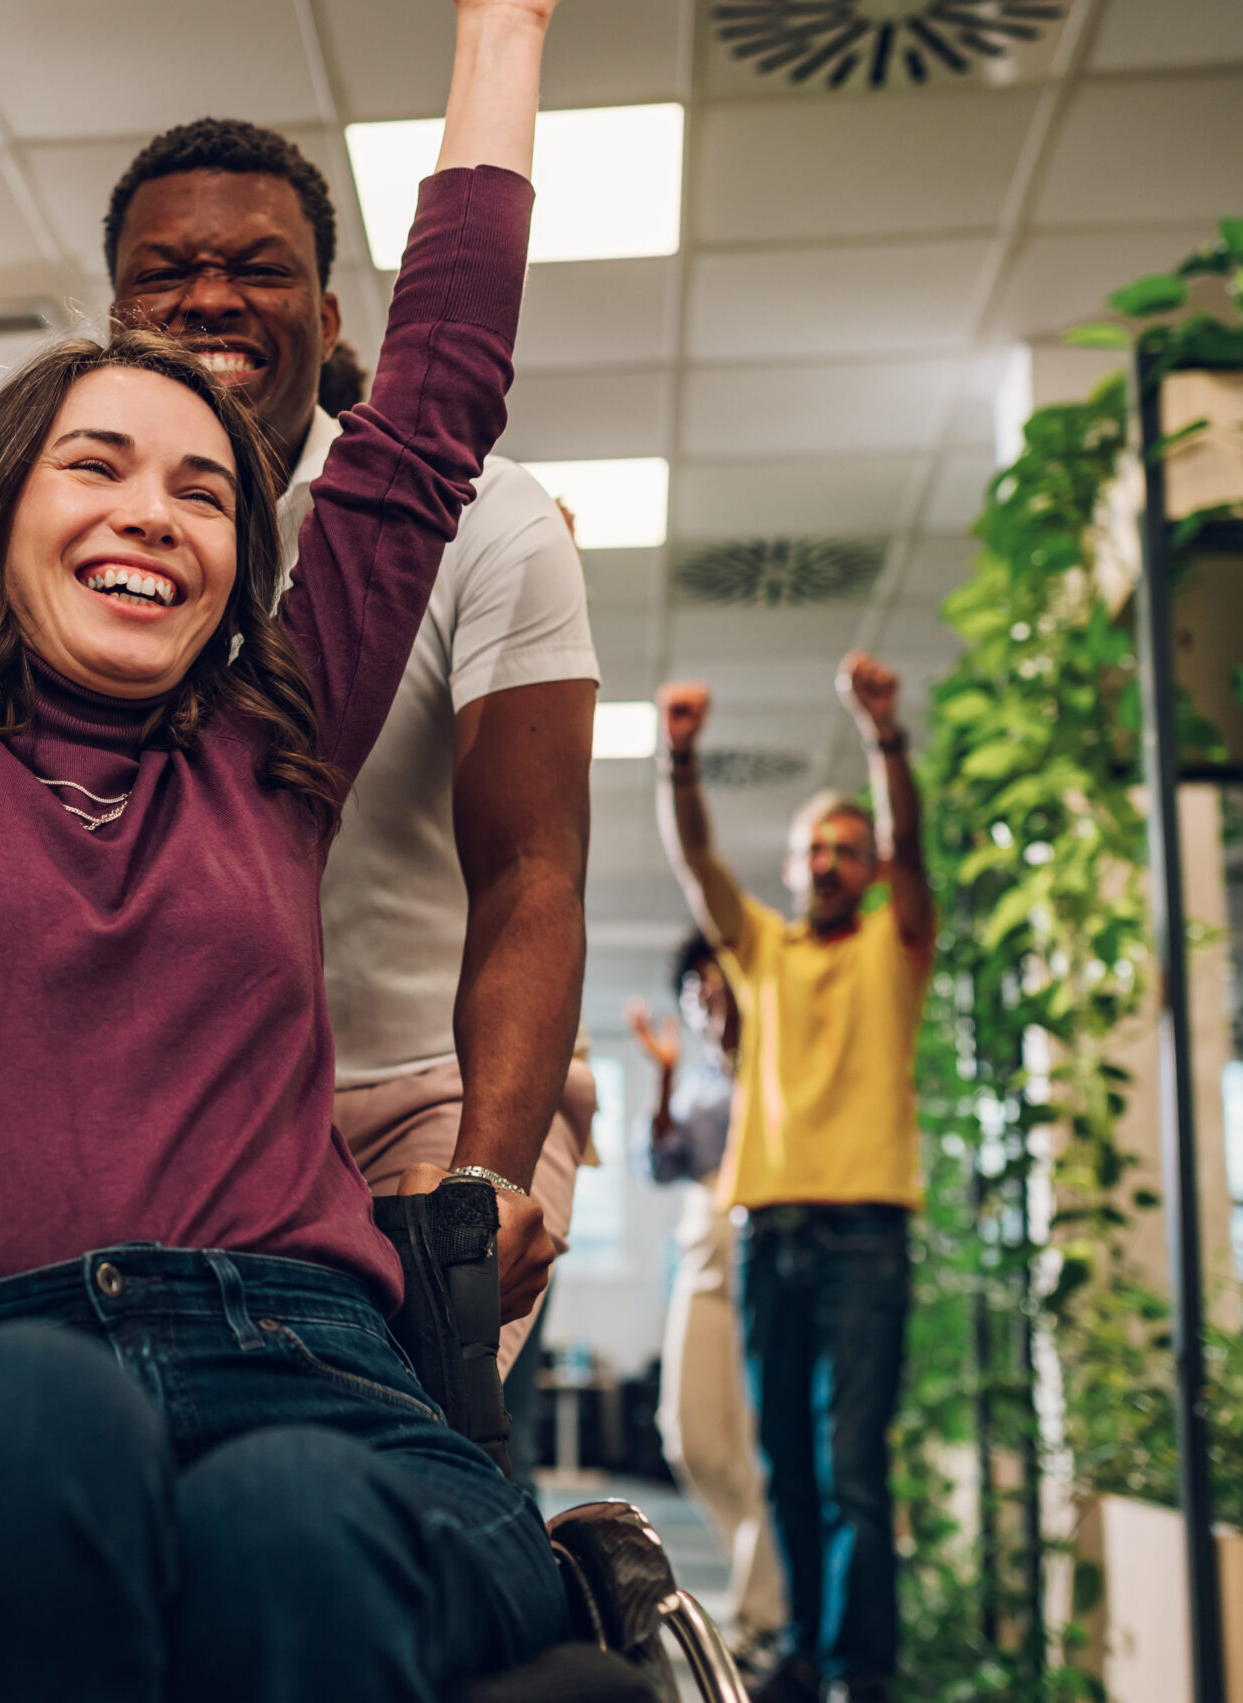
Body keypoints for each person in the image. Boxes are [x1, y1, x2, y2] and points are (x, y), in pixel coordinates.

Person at [0, 1, 566, 1697]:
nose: (153, 510)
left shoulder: (273, 756)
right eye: (99, 463)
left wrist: (507, 26)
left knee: (290, 1511)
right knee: (29, 1416)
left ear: (237, 561)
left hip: (319, 1381)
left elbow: (428, 414)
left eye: (205, 491)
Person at [102, 117, 598, 1369]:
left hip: (430, 1085)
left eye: (257, 268)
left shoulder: (486, 522)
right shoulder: (75, 543)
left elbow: (531, 872)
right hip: (185, 1097)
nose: (209, 295)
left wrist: (480, 1181)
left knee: (391, 1453)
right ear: (112, 320)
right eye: (164, 270)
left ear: (326, 321)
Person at [654, 655, 931, 1703]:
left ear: (867, 866)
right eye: (813, 846)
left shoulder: (894, 946)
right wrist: (679, 759)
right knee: (788, 1468)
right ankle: (806, 1658)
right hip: (770, 1232)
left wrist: (882, 738)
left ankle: (862, 1670)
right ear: (791, 862)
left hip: (865, 1233)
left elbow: (912, 850)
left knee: (853, 1466)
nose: (827, 859)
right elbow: (695, 865)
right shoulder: (762, 950)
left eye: (846, 847)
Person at [629, 934, 785, 1664]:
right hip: (700, 1252)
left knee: (755, 1446)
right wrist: (661, 1080)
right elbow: (659, 1162)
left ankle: (762, 1615)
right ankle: (769, 1586)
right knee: (688, 1436)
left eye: (716, 985)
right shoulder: (693, 1082)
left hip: (761, 1247)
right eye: (695, 990)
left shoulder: (775, 1064)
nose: (705, 999)